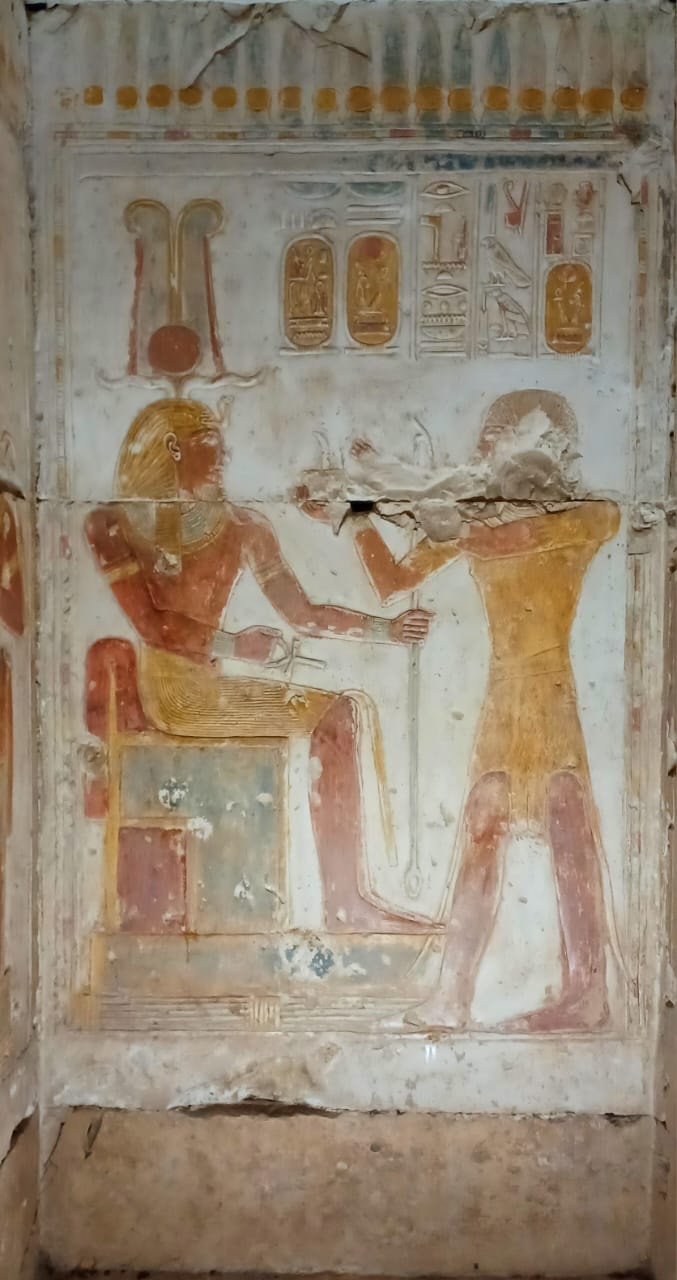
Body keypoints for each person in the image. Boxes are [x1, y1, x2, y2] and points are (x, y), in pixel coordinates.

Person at [85, 396, 433, 934]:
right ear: (174, 448)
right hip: (174, 693)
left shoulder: (244, 526)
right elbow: (153, 626)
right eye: (211, 445)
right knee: (337, 717)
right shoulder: (113, 523)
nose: (225, 457)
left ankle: (348, 899)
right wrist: (234, 645)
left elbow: (304, 614)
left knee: (343, 711)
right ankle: (345, 904)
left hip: (210, 686)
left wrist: (384, 630)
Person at [340, 391, 623, 1030]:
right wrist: (357, 515)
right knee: (483, 827)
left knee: (567, 823)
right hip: (506, 697)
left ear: (555, 453)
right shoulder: (479, 523)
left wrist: (391, 485)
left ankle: (587, 993)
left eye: (510, 444)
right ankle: (452, 996)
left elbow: (502, 538)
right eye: (494, 446)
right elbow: (390, 582)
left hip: (549, 695)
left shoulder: (587, 516)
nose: (493, 458)